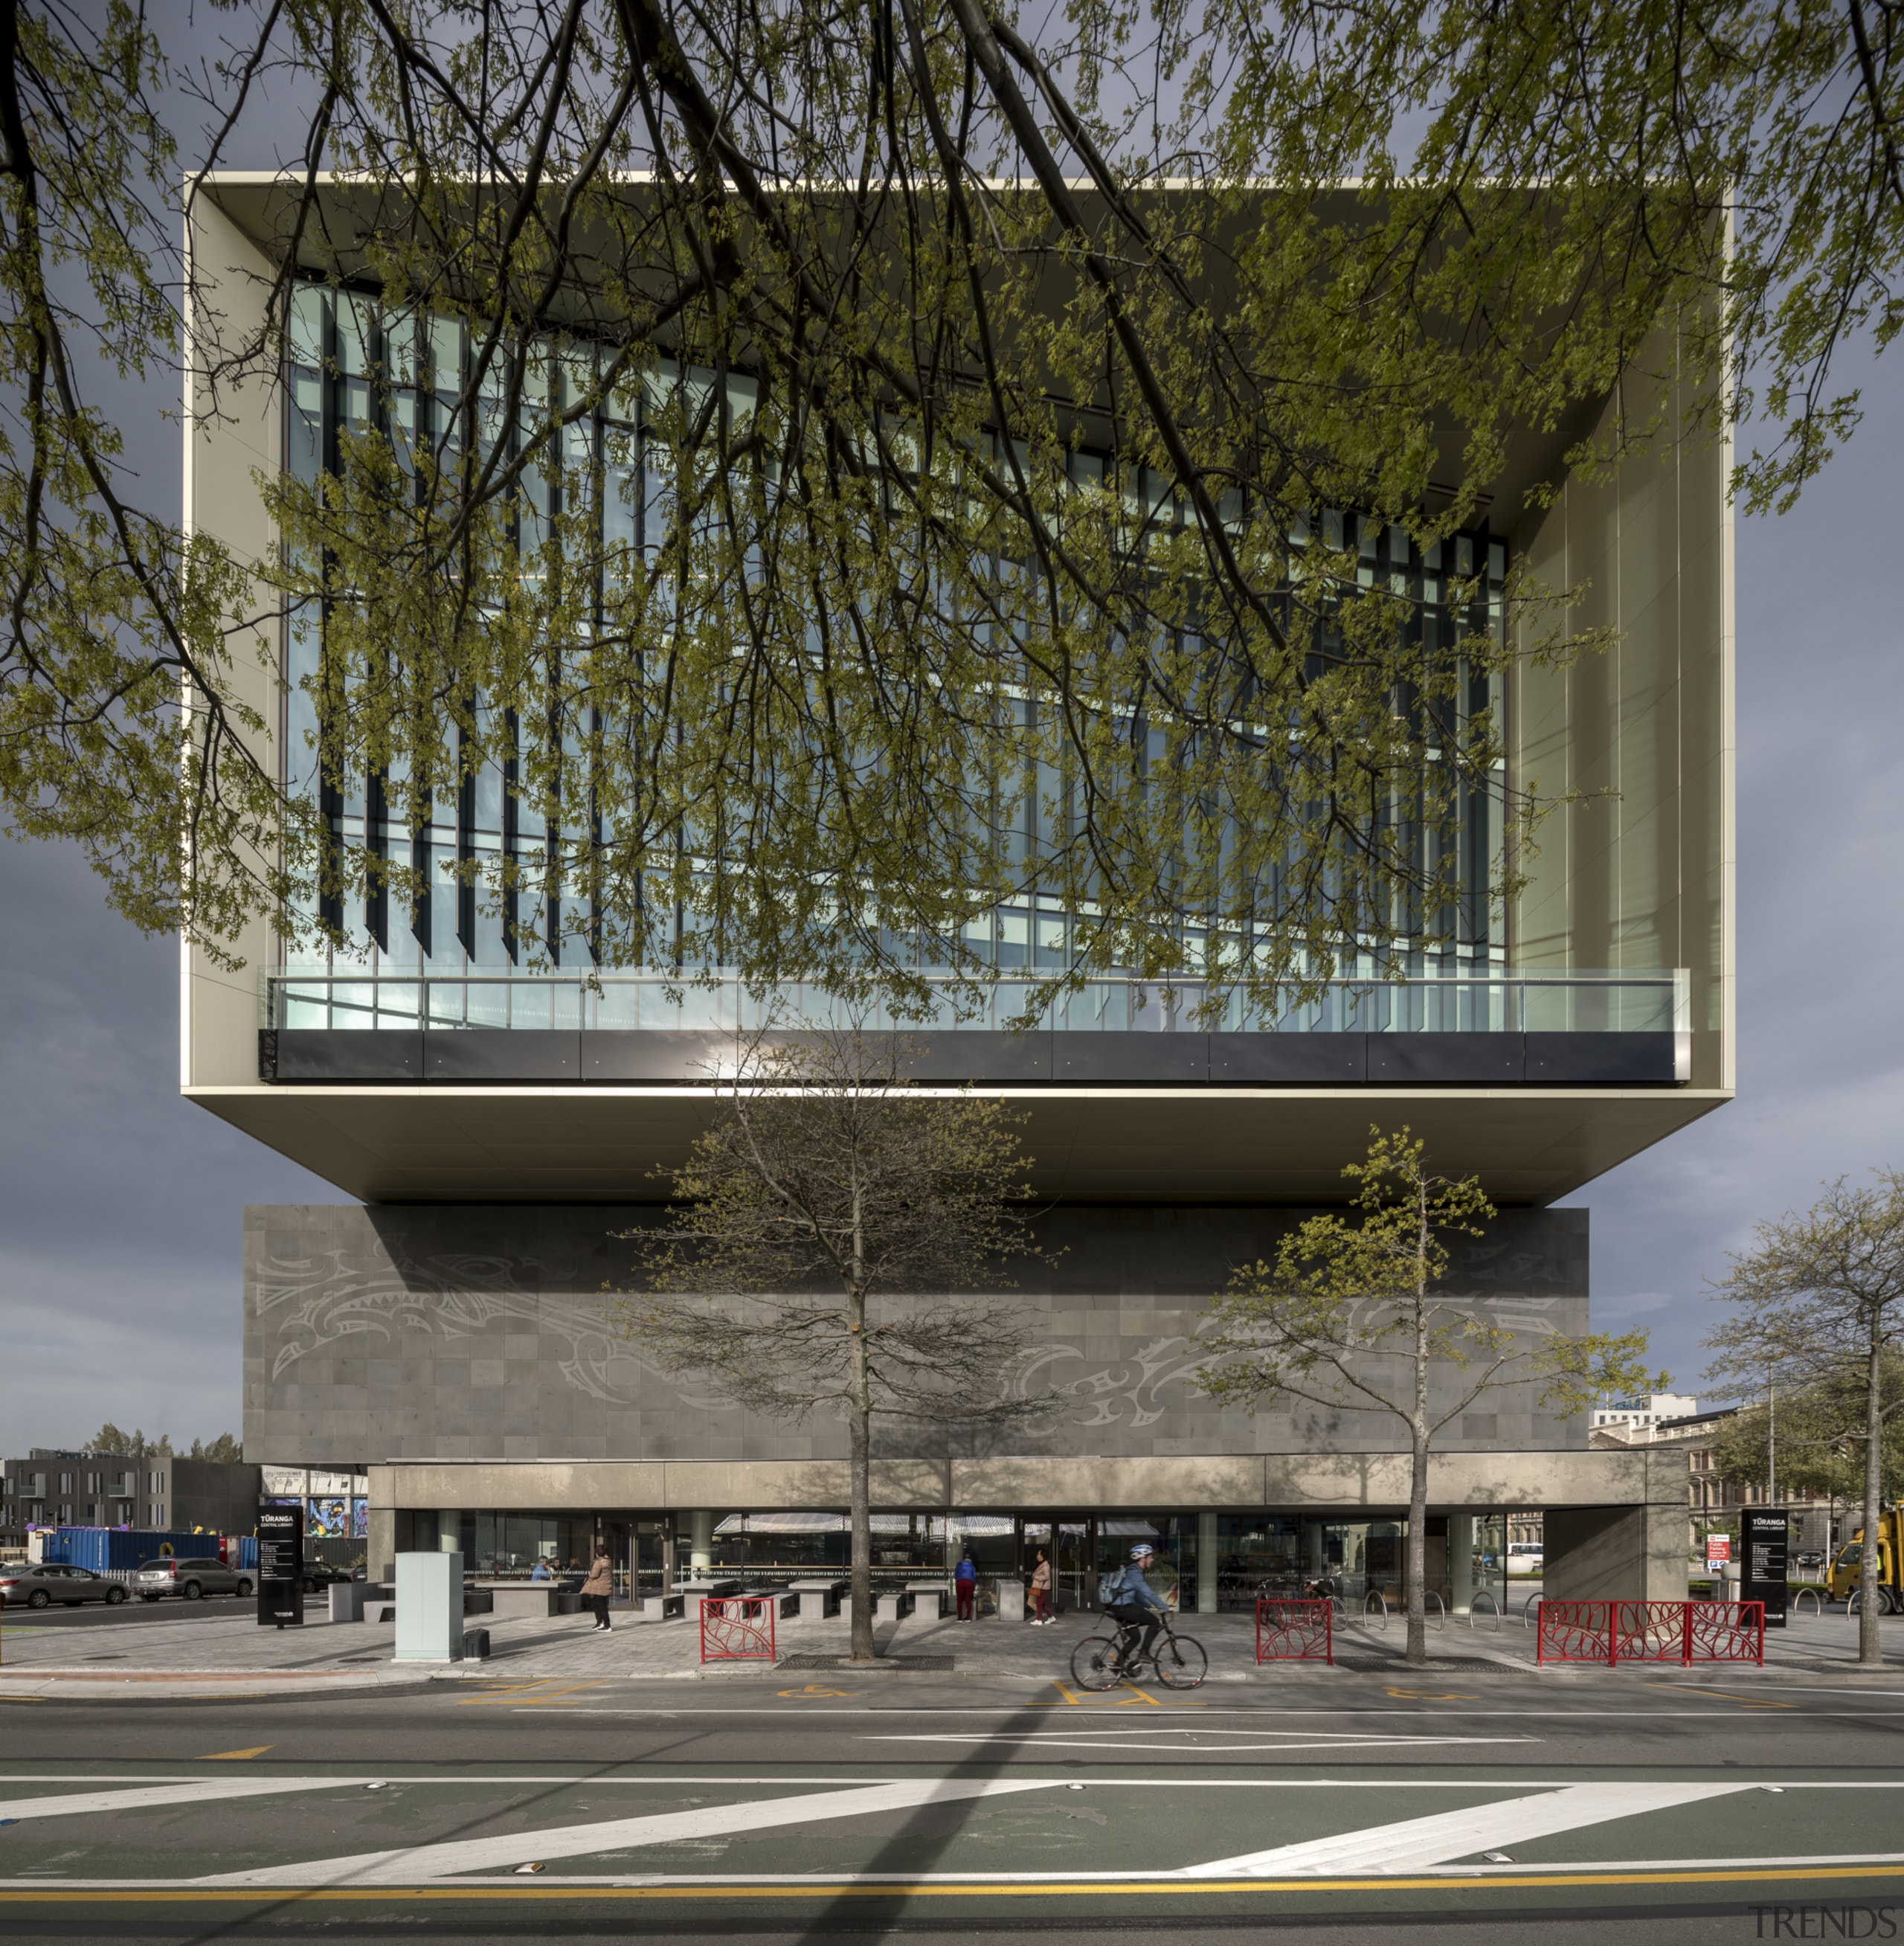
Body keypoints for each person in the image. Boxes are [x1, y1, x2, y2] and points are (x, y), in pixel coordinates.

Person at [1102, 1543, 1174, 1669]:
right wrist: (1164, 1607)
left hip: (1118, 1608)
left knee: (1135, 1638)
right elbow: (1148, 1592)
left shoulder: (1133, 1571)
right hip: (1123, 1607)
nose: (1152, 1560)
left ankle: (1118, 1666)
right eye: (1150, 1557)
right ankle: (1144, 1653)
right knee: (1154, 1622)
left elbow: (1137, 1595)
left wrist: (1149, 1605)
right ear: (1143, 1558)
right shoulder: (1135, 1573)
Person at [580, 1550, 614, 1631]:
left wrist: (590, 1574)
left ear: (597, 1554)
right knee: (596, 1605)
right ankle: (600, 1623)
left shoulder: (599, 1562)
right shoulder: (608, 1561)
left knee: (601, 1607)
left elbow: (594, 1575)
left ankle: (607, 1625)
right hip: (604, 1586)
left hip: (599, 1587)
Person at [1029, 1548, 1052, 1625]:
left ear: (1042, 1556)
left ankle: (1039, 1620)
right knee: (1042, 1604)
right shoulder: (1041, 1564)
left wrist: (1036, 1577)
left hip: (1043, 1587)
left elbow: (1047, 1576)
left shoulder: (1046, 1566)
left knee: (1039, 1603)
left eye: (1038, 1554)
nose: (1037, 1555)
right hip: (1040, 1586)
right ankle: (1051, 1617)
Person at [953, 1550, 978, 1621]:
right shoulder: (972, 1566)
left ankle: (960, 1618)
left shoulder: (958, 1565)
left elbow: (956, 1575)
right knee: (968, 1600)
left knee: (960, 1600)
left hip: (960, 1582)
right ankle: (968, 1617)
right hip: (969, 1582)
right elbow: (974, 1577)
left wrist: (958, 1580)